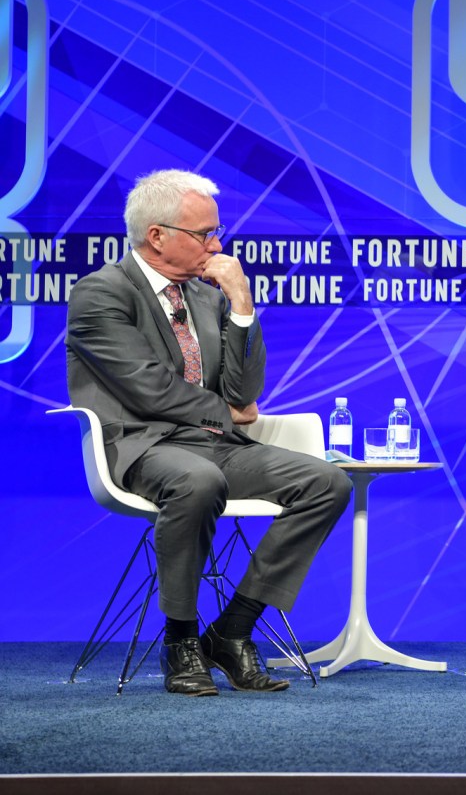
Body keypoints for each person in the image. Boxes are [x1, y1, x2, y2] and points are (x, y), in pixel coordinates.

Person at [66, 169, 352, 696]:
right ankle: (181, 639)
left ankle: (233, 630)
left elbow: (246, 390)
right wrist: (226, 412)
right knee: (197, 482)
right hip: (142, 445)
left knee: (327, 484)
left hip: (212, 445)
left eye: (217, 232)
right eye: (205, 234)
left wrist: (241, 302)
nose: (217, 245)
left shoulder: (207, 297)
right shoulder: (101, 292)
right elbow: (147, 389)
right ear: (157, 235)